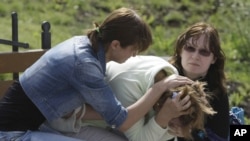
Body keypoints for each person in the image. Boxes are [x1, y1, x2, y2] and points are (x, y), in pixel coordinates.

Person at [0, 7, 193, 141]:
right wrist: (158, 88)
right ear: (116, 44)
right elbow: (123, 122)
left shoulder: (84, 44)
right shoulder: (86, 66)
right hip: (14, 135)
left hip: (35, 125)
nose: (134, 57)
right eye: (133, 50)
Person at [43, 55, 193, 141]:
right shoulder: (129, 85)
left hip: (110, 125)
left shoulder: (169, 77)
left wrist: (170, 129)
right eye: (176, 117)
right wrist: (164, 118)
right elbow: (139, 138)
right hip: (71, 122)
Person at [168, 22, 230, 141]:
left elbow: (220, 136)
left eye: (204, 52)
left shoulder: (217, 90)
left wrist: (191, 132)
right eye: (190, 48)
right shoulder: (163, 76)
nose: (195, 56)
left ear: (214, 59)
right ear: (180, 50)